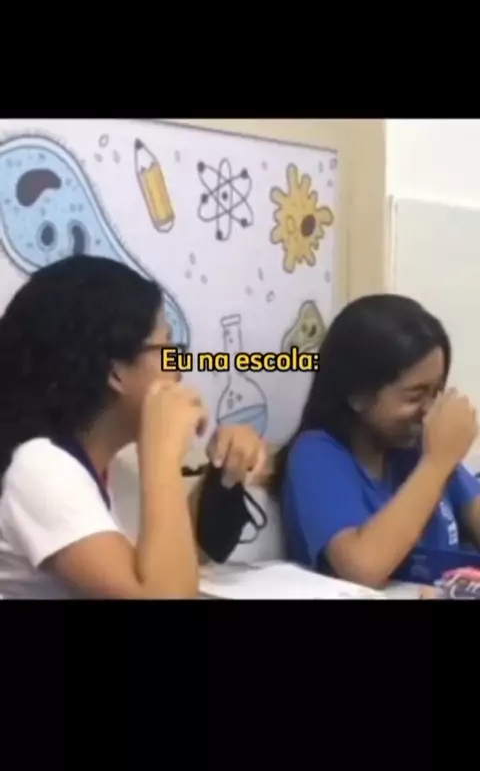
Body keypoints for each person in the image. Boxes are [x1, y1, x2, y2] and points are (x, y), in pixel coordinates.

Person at [0, 256, 267, 599]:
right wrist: (160, 453)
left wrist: (225, 473)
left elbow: (177, 560)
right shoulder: (40, 468)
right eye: (166, 348)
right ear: (115, 373)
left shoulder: (108, 469)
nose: (180, 367)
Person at [276, 294, 480, 589]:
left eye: (437, 391)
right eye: (415, 396)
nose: (430, 410)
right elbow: (364, 568)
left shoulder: (416, 448)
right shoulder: (316, 455)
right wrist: (436, 464)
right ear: (357, 396)